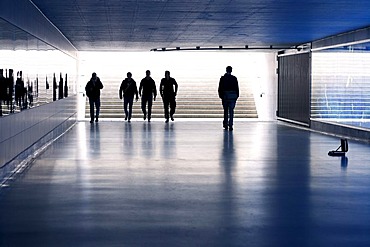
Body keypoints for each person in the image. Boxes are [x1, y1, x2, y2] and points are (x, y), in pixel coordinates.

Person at [218, 66, 239, 131]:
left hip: (225, 96)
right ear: (231, 71)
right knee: (231, 111)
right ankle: (231, 124)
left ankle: (226, 124)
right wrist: (236, 96)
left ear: (226, 70)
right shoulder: (234, 78)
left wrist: (221, 96)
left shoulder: (223, 78)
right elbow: (237, 88)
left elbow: (220, 88)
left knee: (226, 111)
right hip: (232, 97)